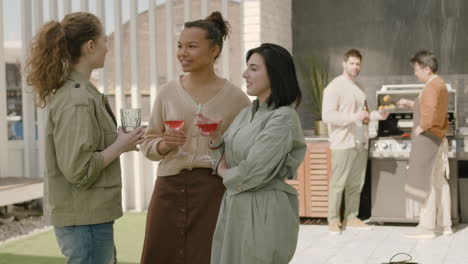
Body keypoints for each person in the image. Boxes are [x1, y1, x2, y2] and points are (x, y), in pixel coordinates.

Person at [25, 12, 145, 263]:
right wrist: (121, 145)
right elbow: (79, 169)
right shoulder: (77, 99)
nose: (107, 48)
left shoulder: (82, 93)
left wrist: (119, 140)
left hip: (89, 218)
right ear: (90, 45)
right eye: (104, 41)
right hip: (85, 221)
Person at [140, 11, 251, 264]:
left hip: (212, 191)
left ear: (214, 51)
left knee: (207, 256)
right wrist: (164, 144)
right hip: (168, 188)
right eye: (180, 46)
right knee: (160, 255)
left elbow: (243, 153)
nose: (182, 53)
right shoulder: (168, 92)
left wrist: (218, 139)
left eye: (191, 46)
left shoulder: (237, 99)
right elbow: (148, 144)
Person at [208, 43, 306, 264]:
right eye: (247, 67)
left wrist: (224, 171)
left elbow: (252, 171)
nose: (245, 74)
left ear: (275, 73)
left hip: (263, 211)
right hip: (234, 207)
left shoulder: (283, 118)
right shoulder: (245, 114)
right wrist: (215, 139)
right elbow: (222, 158)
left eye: (253, 68)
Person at [322, 49, 389, 235]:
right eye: (352, 63)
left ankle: (351, 218)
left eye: (358, 64)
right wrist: (353, 117)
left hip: (361, 142)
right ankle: (333, 221)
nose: (355, 67)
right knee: (338, 184)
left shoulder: (358, 88)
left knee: (355, 184)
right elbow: (327, 115)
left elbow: (364, 115)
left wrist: (378, 115)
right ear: (344, 64)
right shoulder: (334, 87)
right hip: (343, 143)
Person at [398, 50, 452, 239]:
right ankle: (444, 225)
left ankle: (427, 228)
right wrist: (412, 104)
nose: (415, 73)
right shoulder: (440, 84)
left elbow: (429, 115)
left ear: (427, 69)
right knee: (440, 183)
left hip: (429, 140)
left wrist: (421, 127)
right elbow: (432, 107)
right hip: (439, 140)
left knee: (425, 183)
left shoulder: (430, 87)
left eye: (417, 69)